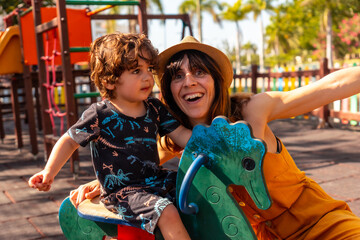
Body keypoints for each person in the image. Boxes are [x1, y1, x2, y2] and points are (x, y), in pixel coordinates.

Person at [70, 36, 360, 240]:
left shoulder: (251, 111)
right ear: (169, 89)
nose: (189, 82)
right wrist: (102, 182)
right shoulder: (177, 138)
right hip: (257, 235)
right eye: (177, 76)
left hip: (319, 223)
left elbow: (330, 86)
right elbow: (132, 165)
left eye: (199, 72)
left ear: (216, 80)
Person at [28, 33, 191, 240]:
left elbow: (181, 134)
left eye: (149, 69)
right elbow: (69, 140)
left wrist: (208, 141)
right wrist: (49, 171)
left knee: (191, 185)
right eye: (136, 71)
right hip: (123, 193)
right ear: (110, 81)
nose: (147, 77)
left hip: (155, 180)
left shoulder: (154, 108)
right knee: (167, 212)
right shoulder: (100, 114)